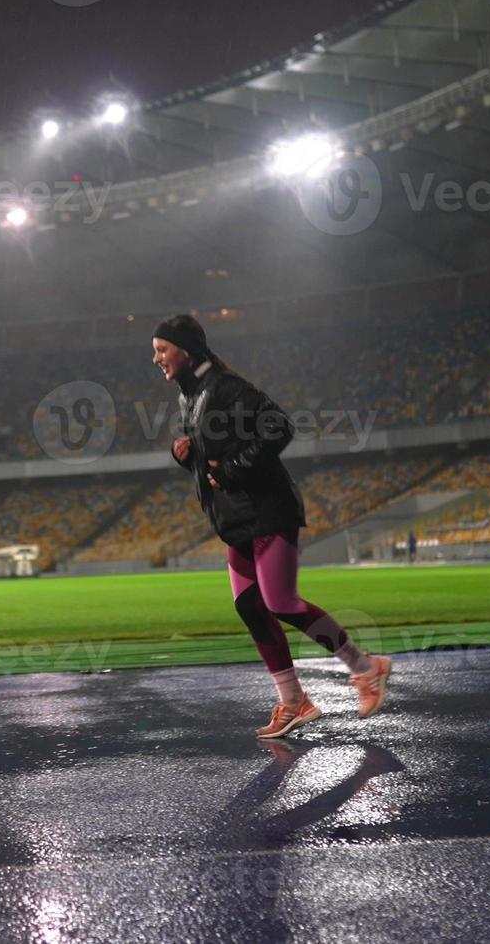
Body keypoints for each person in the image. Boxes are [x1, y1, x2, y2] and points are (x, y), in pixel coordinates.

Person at [152, 314, 392, 739]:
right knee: (250, 606)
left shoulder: (225, 388)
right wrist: (186, 456)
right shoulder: (189, 398)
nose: (156, 359)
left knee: (281, 602)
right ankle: (295, 701)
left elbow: (279, 428)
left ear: (186, 352)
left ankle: (366, 667)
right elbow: (216, 458)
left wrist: (230, 470)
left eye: (162, 350)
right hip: (236, 518)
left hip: (267, 509)